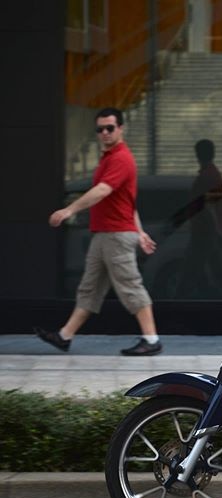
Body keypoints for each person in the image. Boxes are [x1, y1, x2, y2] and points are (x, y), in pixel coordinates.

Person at [35, 107, 162, 356]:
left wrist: (69, 210)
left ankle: (151, 339)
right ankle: (64, 336)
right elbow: (128, 202)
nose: (104, 133)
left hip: (115, 236)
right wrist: (141, 232)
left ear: (121, 128)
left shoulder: (121, 158)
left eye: (110, 128)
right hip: (104, 234)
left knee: (130, 286)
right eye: (100, 129)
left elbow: (103, 191)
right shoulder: (108, 158)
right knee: (89, 289)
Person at [173, 138, 222, 298]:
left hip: (205, 233)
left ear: (198, 155)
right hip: (207, 231)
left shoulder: (209, 176)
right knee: (211, 271)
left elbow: (211, 206)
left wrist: (215, 230)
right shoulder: (211, 174)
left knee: (190, 270)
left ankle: (176, 305)